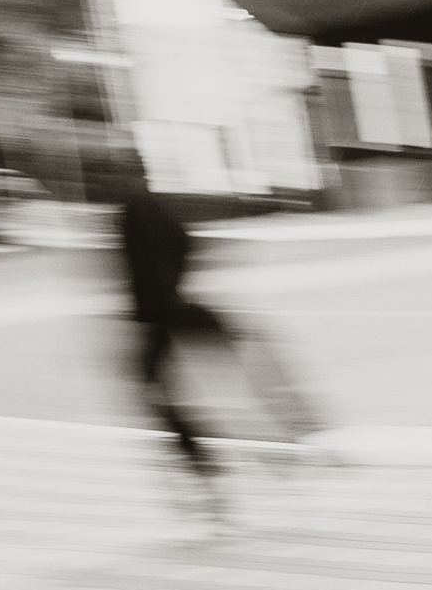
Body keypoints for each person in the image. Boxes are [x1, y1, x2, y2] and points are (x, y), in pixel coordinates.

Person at [112, 181, 321, 520]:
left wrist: (162, 294)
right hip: (176, 311)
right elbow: (184, 243)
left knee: (163, 397)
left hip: (158, 320)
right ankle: (282, 448)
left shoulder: (132, 211)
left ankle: (213, 477)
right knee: (232, 372)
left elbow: (166, 253)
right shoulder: (147, 208)